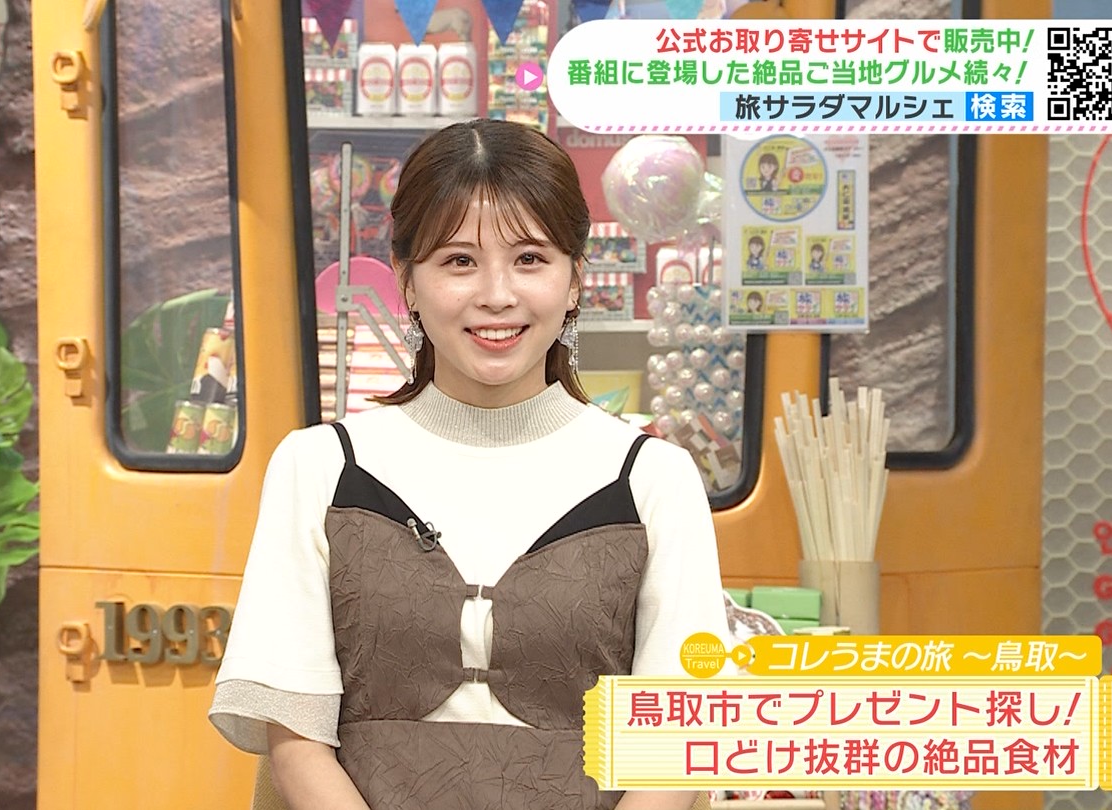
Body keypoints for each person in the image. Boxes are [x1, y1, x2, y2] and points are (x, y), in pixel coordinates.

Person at [207, 119, 730, 810]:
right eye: (459, 261)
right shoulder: (321, 467)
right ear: (408, 281)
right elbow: (295, 739)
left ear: (575, 278)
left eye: (530, 258)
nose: (496, 294)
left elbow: (675, 749)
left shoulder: (654, 478)